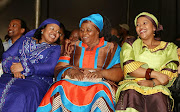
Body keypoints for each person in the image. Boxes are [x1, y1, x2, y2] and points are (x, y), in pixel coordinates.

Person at [37, 13, 123, 112]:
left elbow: (119, 72)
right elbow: (59, 68)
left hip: (100, 82)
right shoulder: (71, 46)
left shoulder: (112, 47)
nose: (84, 33)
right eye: (81, 30)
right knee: (59, 85)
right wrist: (70, 71)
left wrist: (101, 73)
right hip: (73, 81)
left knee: (101, 90)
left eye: (88, 30)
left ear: (98, 32)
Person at [115, 12, 179, 112]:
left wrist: (153, 82)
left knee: (159, 97)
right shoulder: (130, 44)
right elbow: (129, 67)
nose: (141, 27)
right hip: (134, 84)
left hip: (158, 87)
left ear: (154, 27)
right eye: (137, 25)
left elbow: (168, 73)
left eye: (145, 23)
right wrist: (155, 74)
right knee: (131, 94)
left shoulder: (169, 48)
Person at [0, 18, 61, 112]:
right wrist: (15, 68)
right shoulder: (24, 40)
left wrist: (24, 67)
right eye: (52, 28)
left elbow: (51, 67)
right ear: (42, 30)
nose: (55, 33)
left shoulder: (56, 48)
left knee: (21, 96)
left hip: (36, 80)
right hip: (11, 76)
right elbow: (7, 54)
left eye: (58, 32)